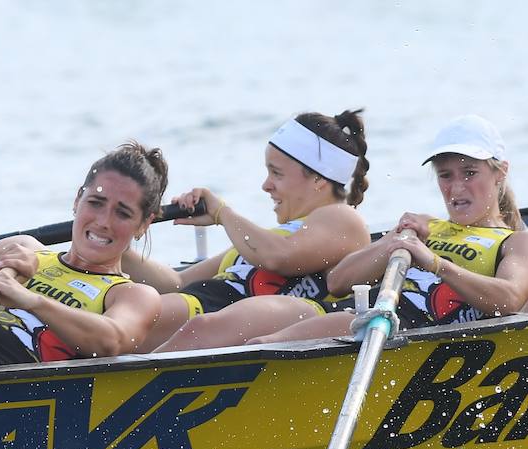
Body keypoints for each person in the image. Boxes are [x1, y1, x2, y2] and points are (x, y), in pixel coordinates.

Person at [252, 115, 527, 344]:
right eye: (445, 175)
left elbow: (509, 299)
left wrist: (435, 263)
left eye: (470, 173)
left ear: (500, 172)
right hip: (362, 314)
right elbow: (337, 282)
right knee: (255, 333)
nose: (456, 188)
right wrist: (392, 242)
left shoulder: (514, 241)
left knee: (262, 343)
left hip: (402, 328)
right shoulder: (425, 226)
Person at [123, 110, 372, 351]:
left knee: (134, 319)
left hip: (232, 317)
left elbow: (278, 257)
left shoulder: (343, 218)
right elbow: (177, 282)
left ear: (318, 179)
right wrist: (119, 238)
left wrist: (222, 213)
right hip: (204, 302)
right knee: (124, 313)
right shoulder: (266, 238)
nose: (266, 185)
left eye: (276, 173)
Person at [0, 142, 167, 367]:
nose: (104, 221)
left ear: (144, 224)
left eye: (123, 213)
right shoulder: (25, 249)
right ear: (78, 200)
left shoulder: (134, 295)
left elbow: (111, 342)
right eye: (96, 203)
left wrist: (32, 301)